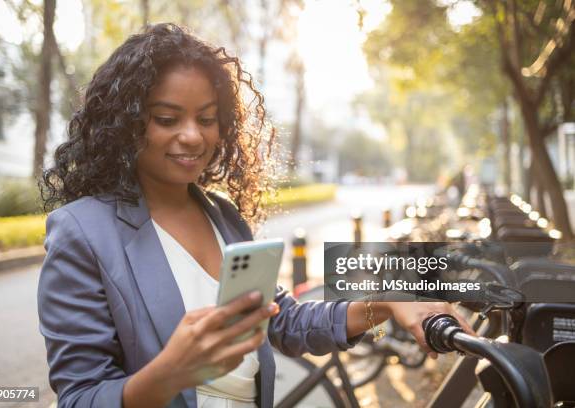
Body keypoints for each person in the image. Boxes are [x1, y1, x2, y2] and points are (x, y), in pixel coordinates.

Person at [37, 23, 473, 408]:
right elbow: (80, 397)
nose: (192, 136)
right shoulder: (82, 232)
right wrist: (169, 373)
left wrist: (386, 306)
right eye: (167, 118)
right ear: (128, 123)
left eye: (207, 119)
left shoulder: (222, 216)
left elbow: (282, 320)